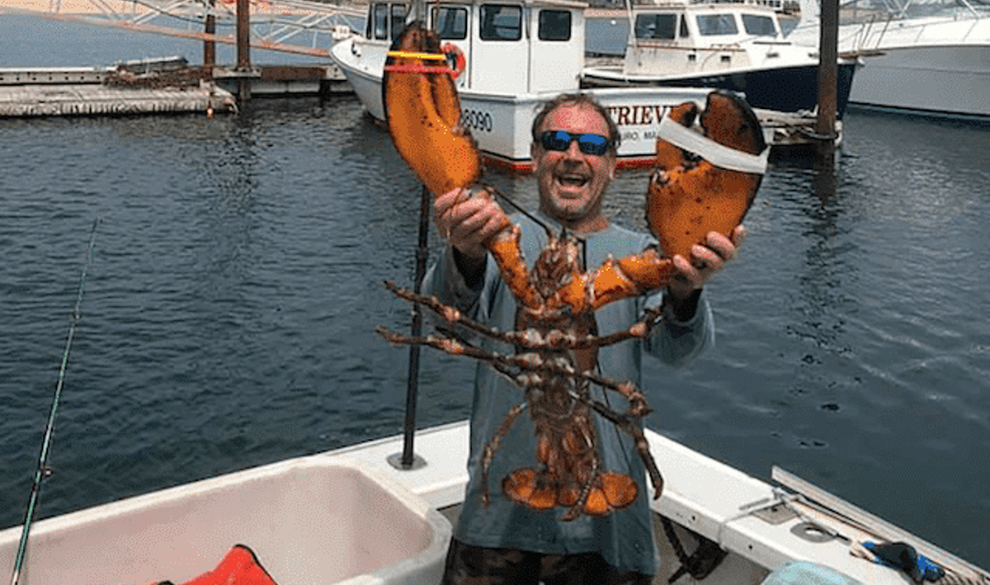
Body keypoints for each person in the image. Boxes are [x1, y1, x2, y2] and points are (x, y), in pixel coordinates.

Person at [423, 93, 746, 585]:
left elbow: (679, 351)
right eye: (557, 141)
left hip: (610, 533)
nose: (574, 155)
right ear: (534, 158)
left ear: (612, 166)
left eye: (592, 144)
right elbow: (445, 321)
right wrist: (464, 252)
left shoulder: (644, 255)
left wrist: (682, 290)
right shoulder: (493, 235)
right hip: (497, 524)